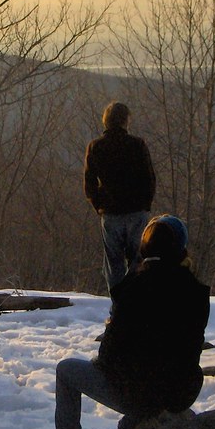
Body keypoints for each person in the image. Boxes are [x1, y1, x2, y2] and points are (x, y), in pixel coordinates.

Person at [40, 215, 209, 429]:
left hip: (142, 394)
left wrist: (100, 365)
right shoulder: (196, 290)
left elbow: (111, 353)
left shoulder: (134, 287)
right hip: (180, 391)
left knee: (67, 370)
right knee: (150, 369)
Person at [83, 101, 156, 294]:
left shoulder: (96, 147)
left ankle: (118, 306)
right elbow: (149, 178)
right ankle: (135, 302)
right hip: (136, 212)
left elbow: (89, 184)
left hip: (110, 214)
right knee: (137, 260)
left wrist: (99, 206)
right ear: (125, 121)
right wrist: (145, 204)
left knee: (113, 263)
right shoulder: (137, 145)